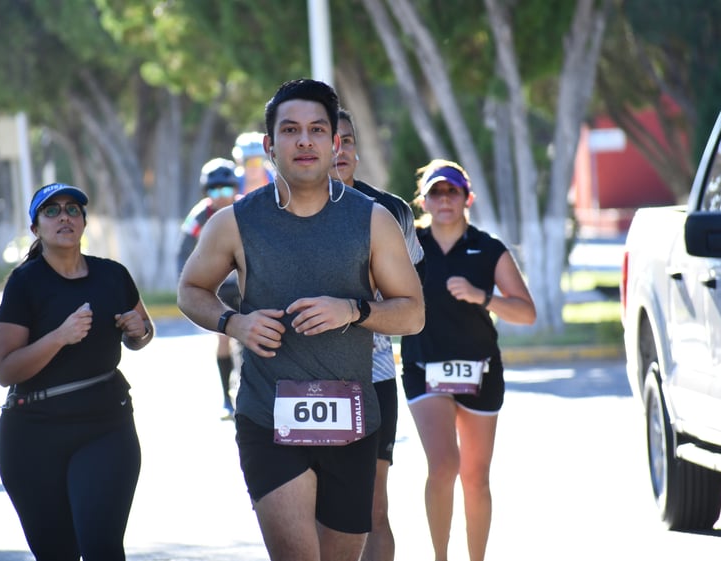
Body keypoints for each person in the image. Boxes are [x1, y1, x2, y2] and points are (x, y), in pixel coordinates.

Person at [178, 78, 425, 561]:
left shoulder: (373, 220)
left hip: (353, 420)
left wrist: (354, 311)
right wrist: (234, 323)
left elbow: (413, 313)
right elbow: (191, 289)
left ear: (335, 142)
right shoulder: (235, 221)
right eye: (290, 130)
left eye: (317, 129)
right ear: (270, 146)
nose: (305, 140)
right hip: (267, 415)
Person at [0, 182, 154, 560]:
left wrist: (139, 330)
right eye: (51, 211)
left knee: (102, 548)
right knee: (56, 553)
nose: (64, 216)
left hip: (106, 427)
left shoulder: (113, 275)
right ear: (36, 228)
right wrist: (59, 337)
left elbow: (142, 332)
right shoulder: (24, 283)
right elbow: (4, 369)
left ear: (83, 221)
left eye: (72, 209)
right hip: (33, 435)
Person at [400, 160, 536, 561]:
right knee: (443, 467)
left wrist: (483, 297)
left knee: (475, 479)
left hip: (481, 371)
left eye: (452, 191)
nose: (444, 199)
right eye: (436, 192)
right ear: (423, 200)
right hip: (424, 368)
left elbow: (526, 313)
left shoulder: (488, 248)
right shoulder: (408, 246)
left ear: (467, 198)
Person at [329, 108, 423, 561]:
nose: (339, 150)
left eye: (347, 141)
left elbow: (409, 295)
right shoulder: (277, 211)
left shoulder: (391, 211)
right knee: (313, 509)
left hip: (374, 375)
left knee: (373, 509)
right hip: (299, 377)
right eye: (332, 140)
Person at [178, 157, 241, 418]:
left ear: (235, 189)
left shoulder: (246, 206)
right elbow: (182, 251)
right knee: (224, 339)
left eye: (226, 189)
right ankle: (227, 398)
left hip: (247, 283)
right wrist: (185, 286)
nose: (221, 196)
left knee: (254, 338)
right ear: (207, 192)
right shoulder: (200, 214)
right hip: (217, 287)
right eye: (214, 191)